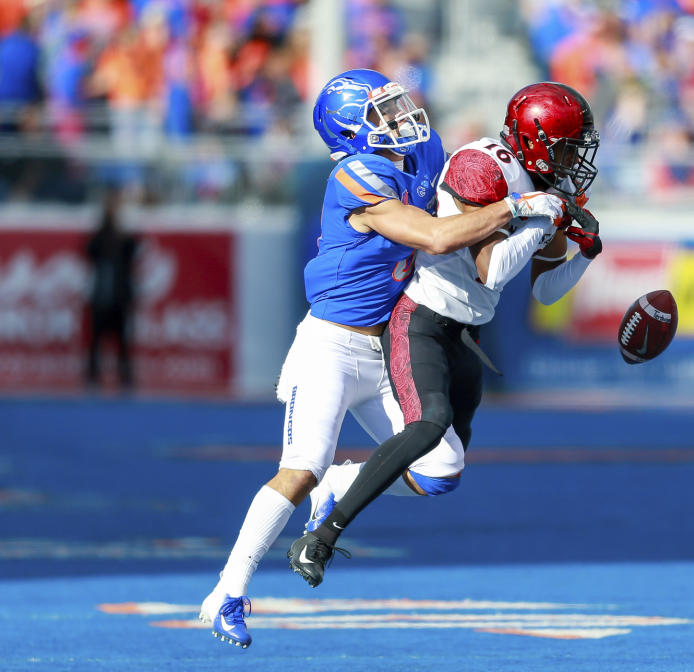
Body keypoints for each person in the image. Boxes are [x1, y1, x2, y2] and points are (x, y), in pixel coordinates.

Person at [197, 69, 565, 649]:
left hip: (387, 341)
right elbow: (438, 237)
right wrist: (520, 207)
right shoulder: (355, 174)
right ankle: (227, 591)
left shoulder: (423, 153)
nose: (400, 118)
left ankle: (339, 487)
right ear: (351, 130)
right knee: (301, 468)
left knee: (440, 471)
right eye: (381, 113)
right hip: (331, 345)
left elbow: (464, 210)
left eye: (395, 106)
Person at [288, 82, 603, 588]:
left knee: (442, 473)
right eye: (566, 145)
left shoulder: (546, 185)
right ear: (538, 138)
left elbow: (545, 291)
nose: (572, 159)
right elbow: (493, 271)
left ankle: (339, 481)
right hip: (422, 316)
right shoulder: (485, 166)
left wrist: (585, 252)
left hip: (466, 332)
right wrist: (539, 215)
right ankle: (323, 534)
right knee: (430, 423)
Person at [85, 187, 138, 389]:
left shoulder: (126, 237)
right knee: (96, 339)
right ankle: (92, 376)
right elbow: (91, 251)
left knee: (122, 340)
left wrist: (122, 231)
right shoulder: (99, 235)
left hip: (119, 295)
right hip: (100, 295)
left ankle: (125, 377)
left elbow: (132, 252)